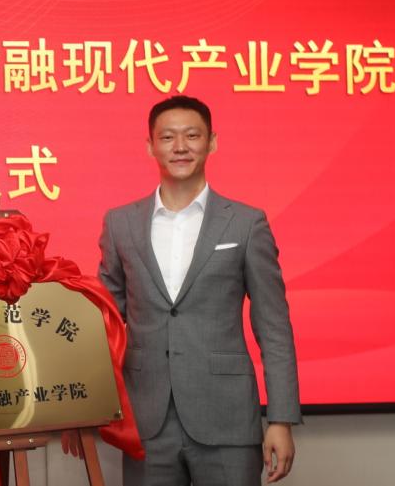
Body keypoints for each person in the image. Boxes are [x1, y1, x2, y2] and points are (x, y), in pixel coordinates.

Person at [98, 96, 300, 485]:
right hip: (146, 420)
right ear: (150, 146)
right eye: (167, 137)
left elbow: (274, 326)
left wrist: (281, 418)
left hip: (227, 418)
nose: (180, 147)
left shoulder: (246, 223)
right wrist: (84, 409)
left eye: (192, 135)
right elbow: (104, 322)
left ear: (212, 142)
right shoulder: (120, 224)